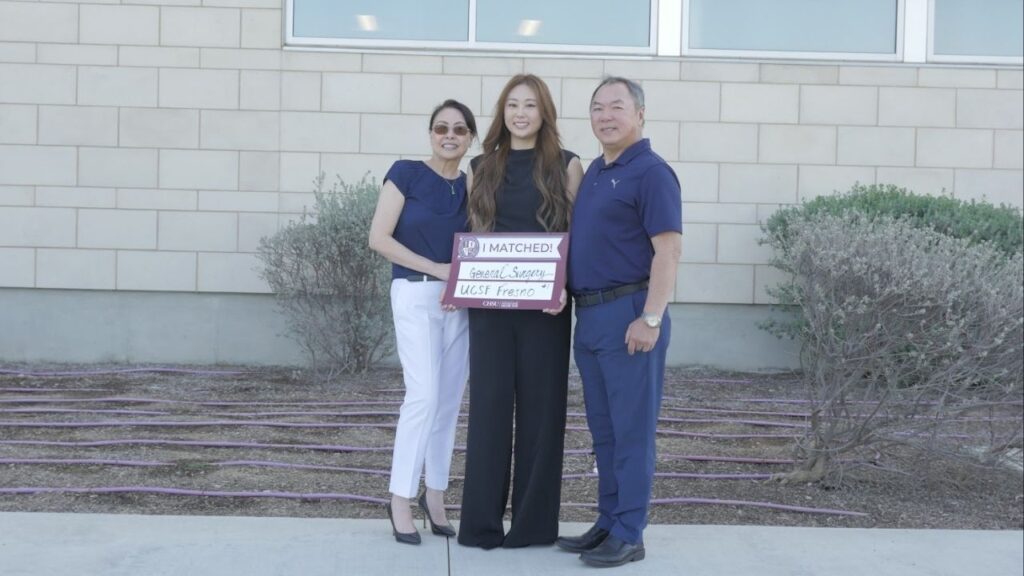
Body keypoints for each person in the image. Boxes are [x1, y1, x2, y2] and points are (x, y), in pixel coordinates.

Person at [556, 77, 682, 568]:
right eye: (597, 108)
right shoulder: (593, 172)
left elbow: (668, 250)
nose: (605, 115)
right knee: (604, 432)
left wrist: (651, 317)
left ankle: (630, 531)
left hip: (630, 315)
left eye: (616, 106)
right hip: (589, 318)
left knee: (631, 432)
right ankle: (608, 521)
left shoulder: (651, 172)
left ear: (640, 114)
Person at [457, 74, 584, 550]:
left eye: (530, 104)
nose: (521, 113)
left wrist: (564, 288)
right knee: (488, 410)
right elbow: (473, 234)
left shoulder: (568, 166)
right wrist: (459, 282)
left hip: (546, 309)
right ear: (502, 112)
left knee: (542, 413)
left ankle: (533, 527)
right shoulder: (480, 165)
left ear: (544, 111)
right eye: (513, 104)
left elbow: (575, 236)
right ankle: (481, 526)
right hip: (489, 308)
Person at [368, 99, 478, 545]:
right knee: (423, 396)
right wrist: (439, 271)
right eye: (440, 128)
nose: (449, 135)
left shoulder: (473, 186)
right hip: (415, 293)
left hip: (458, 303)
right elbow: (379, 238)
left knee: (449, 401)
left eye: (458, 129)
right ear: (430, 133)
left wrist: (460, 285)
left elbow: (477, 245)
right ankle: (399, 497)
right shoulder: (406, 173)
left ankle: (435, 495)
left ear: (470, 137)